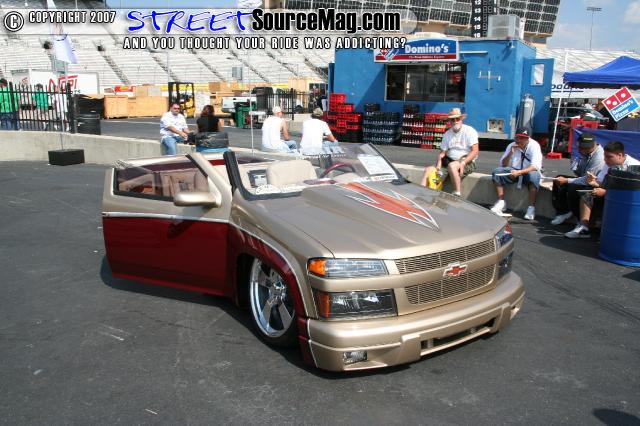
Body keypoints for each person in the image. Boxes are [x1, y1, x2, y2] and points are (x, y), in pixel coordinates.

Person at [565, 141, 640, 238]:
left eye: (609, 157)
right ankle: (584, 228)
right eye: (604, 156)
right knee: (586, 193)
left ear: (620, 155)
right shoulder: (609, 163)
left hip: (627, 201)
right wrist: (593, 182)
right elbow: (599, 182)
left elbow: (631, 194)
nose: (605, 160)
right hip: (611, 194)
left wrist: (606, 192)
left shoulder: (635, 166)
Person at [420, 107, 479, 196]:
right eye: (452, 119)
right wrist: (438, 164)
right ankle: (420, 194)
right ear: (449, 121)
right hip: (448, 161)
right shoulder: (447, 134)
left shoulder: (470, 131)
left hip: (466, 161)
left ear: (461, 119)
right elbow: (442, 153)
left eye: (457, 119)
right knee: (428, 170)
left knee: (452, 166)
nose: (455, 121)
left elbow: (475, 151)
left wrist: (463, 162)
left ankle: (457, 193)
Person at [550, 132, 605, 225]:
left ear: (594, 144)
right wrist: (575, 167)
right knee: (557, 179)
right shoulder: (587, 152)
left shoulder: (599, 157)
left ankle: (581, 220)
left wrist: (566, 180)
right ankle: (563, 211)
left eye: (585, 148)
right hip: (587, 179)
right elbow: (581, 174)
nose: (581, 150)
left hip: (596, 184)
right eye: (581, 147)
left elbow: (588, 179)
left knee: (572, 187)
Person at [490, 127, 543, 220]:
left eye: (522, 138)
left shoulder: (534, 146)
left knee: (534, 176)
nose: (519, 140)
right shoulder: (511, 145)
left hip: (527, 172)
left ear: (528, 139)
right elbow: (503, 165)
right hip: (514, 171)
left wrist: (520, 172)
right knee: (497, 172)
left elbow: (535, 166)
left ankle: (531, 208)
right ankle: (501, 202)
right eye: (517, 137)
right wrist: (511, 153)